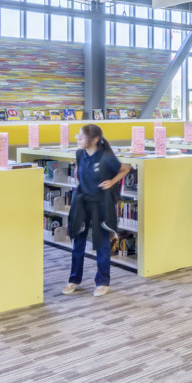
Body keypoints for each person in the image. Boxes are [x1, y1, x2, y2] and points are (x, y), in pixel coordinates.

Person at [64, 124, 127, 296]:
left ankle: (103, 282)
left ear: (94, 140)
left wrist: (112, 182)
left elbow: (125, 168)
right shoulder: (79, 153)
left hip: (101, 205)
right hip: (82, 203)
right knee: (78, 242)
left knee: (102, 243)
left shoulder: (106, 157)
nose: (78, 139)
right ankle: (74, 280)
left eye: (81, 137)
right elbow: (78, 171)